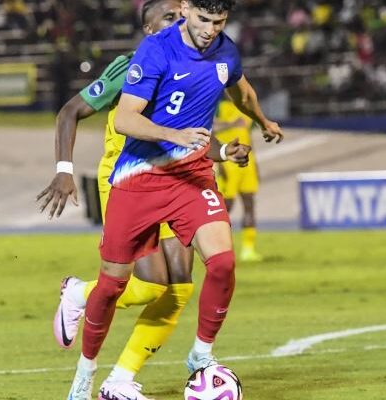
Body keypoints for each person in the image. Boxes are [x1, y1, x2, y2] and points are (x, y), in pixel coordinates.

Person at [60, 0, 283, 398]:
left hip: (190, 178)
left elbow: (242, 91)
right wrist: (176, 135)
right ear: (186, 10)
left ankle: (199, 355)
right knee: (114, 286)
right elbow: (126, 119)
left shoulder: (225, 51)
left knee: (220, 264)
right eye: (203, 19)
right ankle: (84, 374)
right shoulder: (155, 51)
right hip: (137, 180)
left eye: (219, 21)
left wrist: (260, 123)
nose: (211, 29)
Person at [213, 98, 263, 262]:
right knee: (227, 206)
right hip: (228, 162)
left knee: (249, 202)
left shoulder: (247, 106)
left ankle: (248, 250)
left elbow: (247, 135)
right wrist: (231, 124)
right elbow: (209, 127)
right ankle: (218, 247)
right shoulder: (217, 104)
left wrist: (255, 163)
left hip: (247, 163)